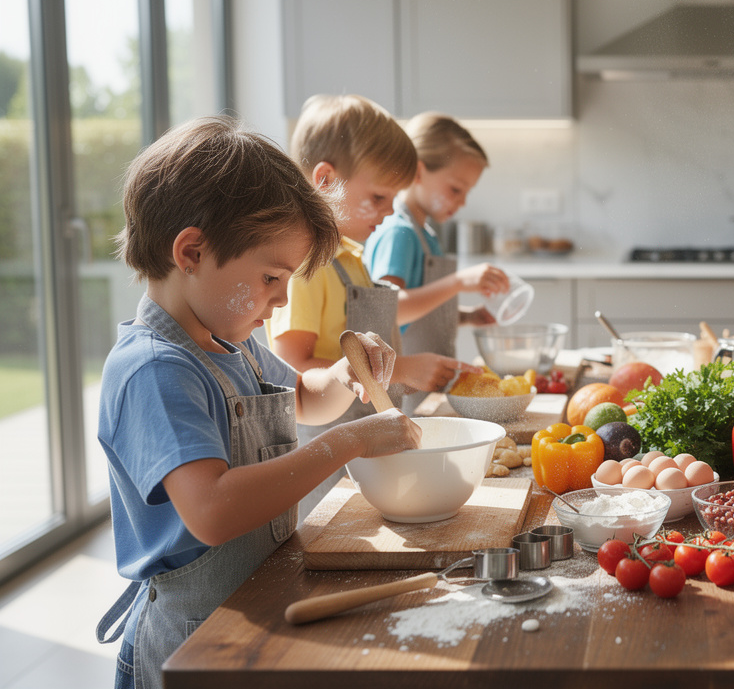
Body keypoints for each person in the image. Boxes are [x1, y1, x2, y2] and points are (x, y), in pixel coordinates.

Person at [94, 117, 421, 689]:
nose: (280, 298)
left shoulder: (232, 342)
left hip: (247, 606)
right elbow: (213, 511)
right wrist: (350, 442)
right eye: (271, 276)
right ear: (191, 251)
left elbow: (303, 398)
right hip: (188, 643)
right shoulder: (155, 370)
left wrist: (345, 373)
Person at [266, 94, 477, 518]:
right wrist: (401, 370)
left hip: (365, 452)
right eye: (379, 197)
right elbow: (293, 369)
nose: (388, 211)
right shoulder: (307, 265)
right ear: (325, 181)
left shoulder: (351, 256)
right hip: (324, 460)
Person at [364, 112, 510, 411]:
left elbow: (420, 313)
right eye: (456, 189)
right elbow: (390, 312)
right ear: (418, 172)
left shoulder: (425, 234)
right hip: (400, 394)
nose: (462, 201)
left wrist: (466, 316)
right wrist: (459, 282)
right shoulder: (398, 233)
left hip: (425, 391)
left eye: (467, 192)